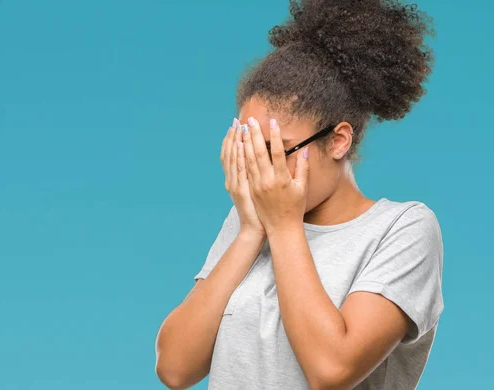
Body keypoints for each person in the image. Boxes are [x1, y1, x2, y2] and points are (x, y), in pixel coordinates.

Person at [155, 0, 444, 388]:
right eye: (250, 149)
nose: (261, 171)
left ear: (339, 140)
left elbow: (332, 370)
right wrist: (249, 233)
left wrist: (284, 225)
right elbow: (175, 368)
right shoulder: (250, 220)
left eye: (277, 151)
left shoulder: (402, 229)